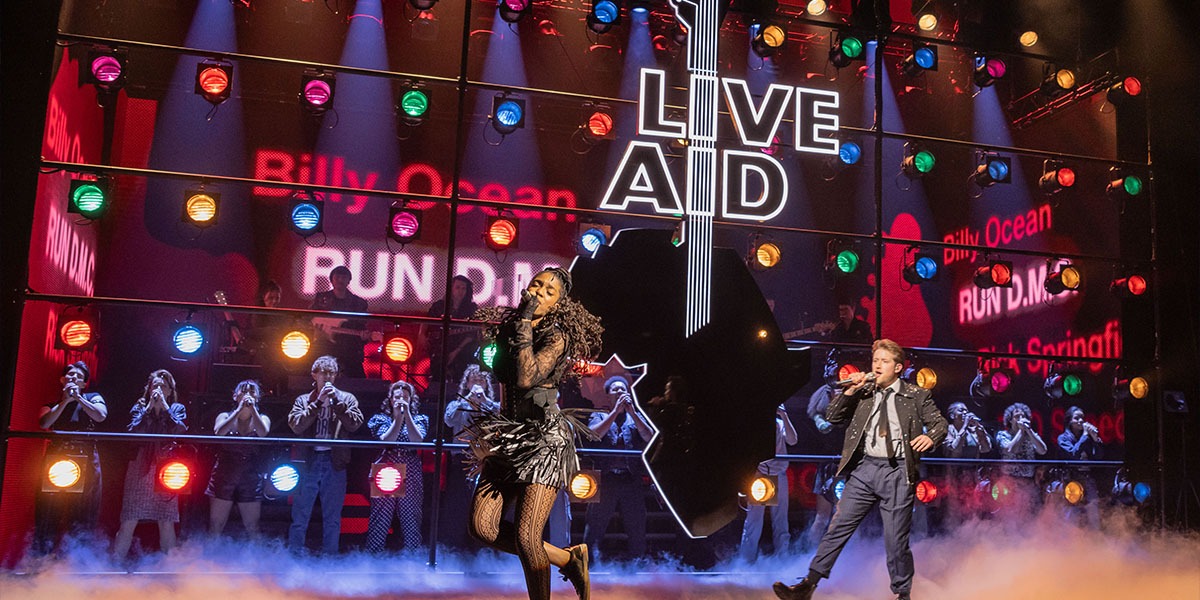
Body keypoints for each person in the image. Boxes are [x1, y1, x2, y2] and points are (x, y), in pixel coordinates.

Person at [465, 267, 603, 600]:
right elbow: (506, 384)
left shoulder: (557, 336)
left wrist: (525, 321)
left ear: (558, 303)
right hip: (512, 434)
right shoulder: (510, 328)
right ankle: (569, 559)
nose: (539, 292)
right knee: (482, 527)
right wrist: (496, 430)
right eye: (536, 284)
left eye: (549, 291)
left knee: (528, 537)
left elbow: (527, 377)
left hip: (545, 439)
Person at [773, 339, 947, 600]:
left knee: (895, 539)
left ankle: (902, 594)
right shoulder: (863, 391)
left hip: (898, 471)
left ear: (898, 367)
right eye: (875, 360)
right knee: (838, 526)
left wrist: (931, 437)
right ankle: (808, 585)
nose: (877, 365)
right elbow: (832, 417)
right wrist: (850, 391)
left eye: (884, 361)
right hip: (865, 469)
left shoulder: (916, 395)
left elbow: (940, 424)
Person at [287, 355, 364, 554]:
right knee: (300, 515)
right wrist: (318, 403)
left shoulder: (347, 398)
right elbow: (296, 426)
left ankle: (329, 558)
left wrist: (336, 402)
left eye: (332, 373)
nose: (328, 377)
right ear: (314, 374)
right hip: (308, 462)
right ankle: (294, 557)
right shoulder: (303, 400)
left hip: (335, 462)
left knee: (332, 518)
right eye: (324, 373)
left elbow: (354, 424)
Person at [114, 369, 188, 559]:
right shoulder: (139, 406)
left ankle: (169, 569)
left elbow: (179, 429)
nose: (159, 389)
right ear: (148, 389)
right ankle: (114, 565)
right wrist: (148, 409)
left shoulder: (177, 408)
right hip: (140, 465)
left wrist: (163, 406)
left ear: (170, 391)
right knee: (130, 517)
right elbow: (133, 431)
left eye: (163, 386)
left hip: (166, 467)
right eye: (155, 385)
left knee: (166, 519)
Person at [35, 361, 108, 553]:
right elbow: (44, 422)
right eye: (70, 375)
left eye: (78, 377)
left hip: (86, 458)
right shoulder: (51, 404)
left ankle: (78, 562)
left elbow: (101, 415)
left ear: (84, 384)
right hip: (57, 459)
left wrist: (79, 399)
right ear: (62, 379)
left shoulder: (93, 397)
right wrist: (66, 401)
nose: (74, 379)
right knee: (50, 510)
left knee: (83, 513)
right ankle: (43, 560)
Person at [583, 375, 654, 562]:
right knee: (595, 527)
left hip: (631, 481)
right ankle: (588, 567)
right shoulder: (599, 415)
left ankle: (636, 568)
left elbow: (649, 437)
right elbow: (594, 435)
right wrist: (614, 412)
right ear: (608, 396)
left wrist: (631, 413)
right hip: (606, 480)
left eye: (623, 389)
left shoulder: (635, 417)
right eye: (616, 389)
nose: (620, 392)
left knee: (637, 527)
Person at [442, 365, 501, 549]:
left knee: (484, 504)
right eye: (473, 380)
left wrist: (483, 400)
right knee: (459, 502)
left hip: (486, 461)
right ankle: (455, 548)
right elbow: (449, 419)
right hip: (462, 458)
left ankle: (482, 547)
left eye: (481, 380)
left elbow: (501, 418)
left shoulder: (493, 405)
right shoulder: (456, 404)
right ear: (466, 384)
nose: (477, 383)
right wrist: (467, 400)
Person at [365, 380, 428, 552]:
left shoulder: (420, 419)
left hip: (410, 467)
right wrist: (398, 418)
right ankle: (374, 555)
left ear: (411, 400)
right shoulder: (381, 418)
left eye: (405, 397)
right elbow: (387, 440)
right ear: (391, 399)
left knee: (411, 516)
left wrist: (406, 414)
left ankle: (412, 557)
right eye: (398, 397)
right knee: (381, 516)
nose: (401, 400)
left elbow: (418, 440)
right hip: (387, 467)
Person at [206, 379, 271, 538]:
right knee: (216, 525)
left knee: (252, 526)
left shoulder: (262, 418)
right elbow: (219, 432)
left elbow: (263, 432)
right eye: (243, 391)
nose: (247, 394)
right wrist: (239, 410)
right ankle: (209, 559)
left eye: (252, 392)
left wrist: (253, 411)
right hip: (225, 472)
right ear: (235, 396)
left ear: (257, 397)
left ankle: (257, 560)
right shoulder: (224, 415)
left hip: (250, 474)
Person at [740, 403, 798, 562]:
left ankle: (782, 560)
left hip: (779, 473)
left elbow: (793, 441)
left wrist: (784, 416)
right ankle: (746, 562)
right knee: (754, 521)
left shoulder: (780, 423)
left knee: (781, 521)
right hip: (761, 475)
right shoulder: (753, 423)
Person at [311, 266, 371, 379]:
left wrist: (364, 336)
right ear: (331, 279)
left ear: (349, 281)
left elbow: (362, 326)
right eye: (337, 277)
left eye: (344, 277)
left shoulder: (358, 303)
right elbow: (310, 319)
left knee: (358, 382)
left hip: (350, 350)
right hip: (324, 347)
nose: (340, 280)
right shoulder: (321, 299)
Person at [426, 275, 480, 386]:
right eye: (457, 287)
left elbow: (471, 334)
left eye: (463, 288)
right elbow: (427, 321)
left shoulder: (472, 309)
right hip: (440, 346)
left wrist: (456, 351)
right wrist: (421, 335)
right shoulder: (439, 306)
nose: (460, 291)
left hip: (463, 349)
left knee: (464, 362)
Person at [995, 402, 1047, 514]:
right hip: (1009, 483)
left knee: (1029, 515)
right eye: (1017, 416)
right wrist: (1021, 431)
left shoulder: (1031, 434)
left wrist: (1029, 431)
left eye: (1023, 416)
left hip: (1028, 482)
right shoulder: (1003, 435)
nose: (1021, 419)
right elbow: (1011, 449)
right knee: (1010, 515)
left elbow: (1043, 450)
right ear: (1010, 420)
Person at [1056, 406, 1102, 527]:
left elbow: (1098, 457)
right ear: (1069, 421)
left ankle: (1095, 540)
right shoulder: (1063, 438)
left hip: (1088, 479)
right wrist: (1085, 436)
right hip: (1072, 480)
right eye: (1077, 418)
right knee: (1071, 513)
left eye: (1082, 418)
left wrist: (1095, 440)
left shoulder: (1087, 438)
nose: (1081, 421)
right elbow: (1073, 455)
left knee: (1093, 513)